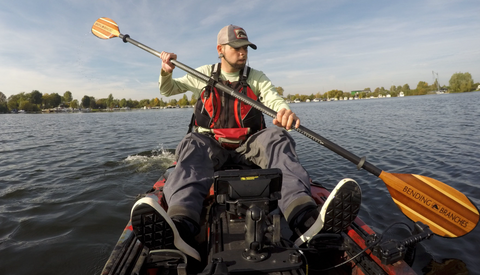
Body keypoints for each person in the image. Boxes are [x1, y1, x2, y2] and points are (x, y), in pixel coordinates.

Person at [131, 24, 361, 261]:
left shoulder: (255, 77)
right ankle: (182, 226)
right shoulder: (202, 74)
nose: (243, 52)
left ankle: (305, 219)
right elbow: (168, 90)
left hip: (249, 146)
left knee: (278, 136)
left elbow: (274, 97)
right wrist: (166, 70)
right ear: (220, 49)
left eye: (246, 48)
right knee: (192, 142)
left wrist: (284, 111)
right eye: (237, 47)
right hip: (213, 144)